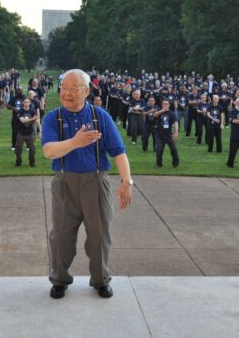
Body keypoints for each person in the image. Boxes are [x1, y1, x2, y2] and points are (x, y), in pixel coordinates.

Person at [41, 69, 132, 300]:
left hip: (95, 182)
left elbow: (119, 152)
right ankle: (60, 280)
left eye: (73, 88)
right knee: (61, 236)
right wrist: (75, 142)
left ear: (87, 91)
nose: (67, 93)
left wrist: (126, 182)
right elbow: (49, 151)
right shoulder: (53, 118)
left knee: (99, 235)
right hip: (64, 183)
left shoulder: (100, 116)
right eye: (63, 88)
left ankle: (101, 280)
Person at [153, 98, 179, 168]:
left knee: (174, 149)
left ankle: (175, 164)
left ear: (169, 105)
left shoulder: (172, 113)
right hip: (159, 135)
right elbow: (155, 115)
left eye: (166, 104)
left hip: (169, 135)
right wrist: (162, 111)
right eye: (163, 104)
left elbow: (176, 123)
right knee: (159, 150)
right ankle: (159, 165)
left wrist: (176, 132)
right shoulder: (159, 112)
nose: (165, 105)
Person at [15, 98, 38, 167]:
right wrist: (32, 118)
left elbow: (37, 118)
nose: (26, 103)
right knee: (18, 149)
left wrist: (40, 130)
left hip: (30, 133)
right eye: (25, 102)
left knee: (32, 149)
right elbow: (23, 121)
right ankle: (18, 162)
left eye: (28, 102)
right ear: (23, 103)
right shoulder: (20, 111)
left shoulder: (32, 110)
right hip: (21, 133)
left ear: (29, 103)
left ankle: (32, 162)